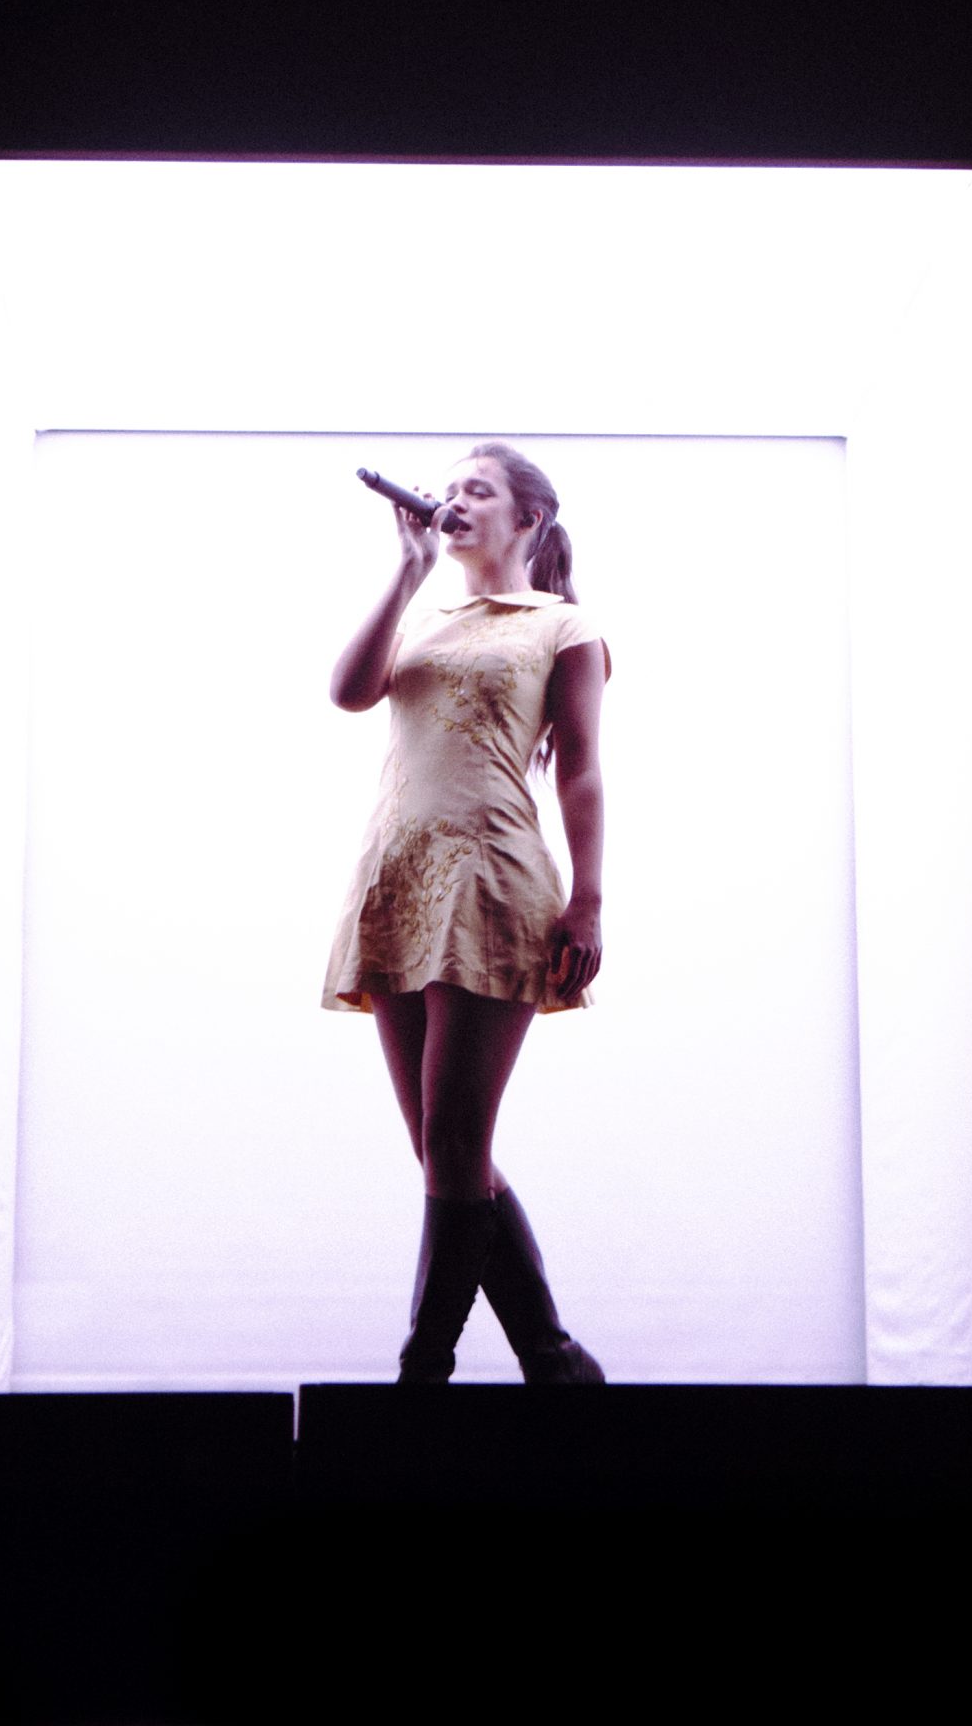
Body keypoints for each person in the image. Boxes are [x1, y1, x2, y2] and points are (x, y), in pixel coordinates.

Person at [323, 441, 610, 1384]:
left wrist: (588, 900)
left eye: (475, 491)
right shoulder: (425, 619)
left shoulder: (562, 626)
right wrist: (407, 570)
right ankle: (552, 1358)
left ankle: (424, 1367)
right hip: (398, 881)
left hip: (490, 880)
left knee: (454, 1142)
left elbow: (581, 771)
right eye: (446, 490)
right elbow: (348, 692)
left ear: (526, 518)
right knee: (443, 1150)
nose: (451, 502)